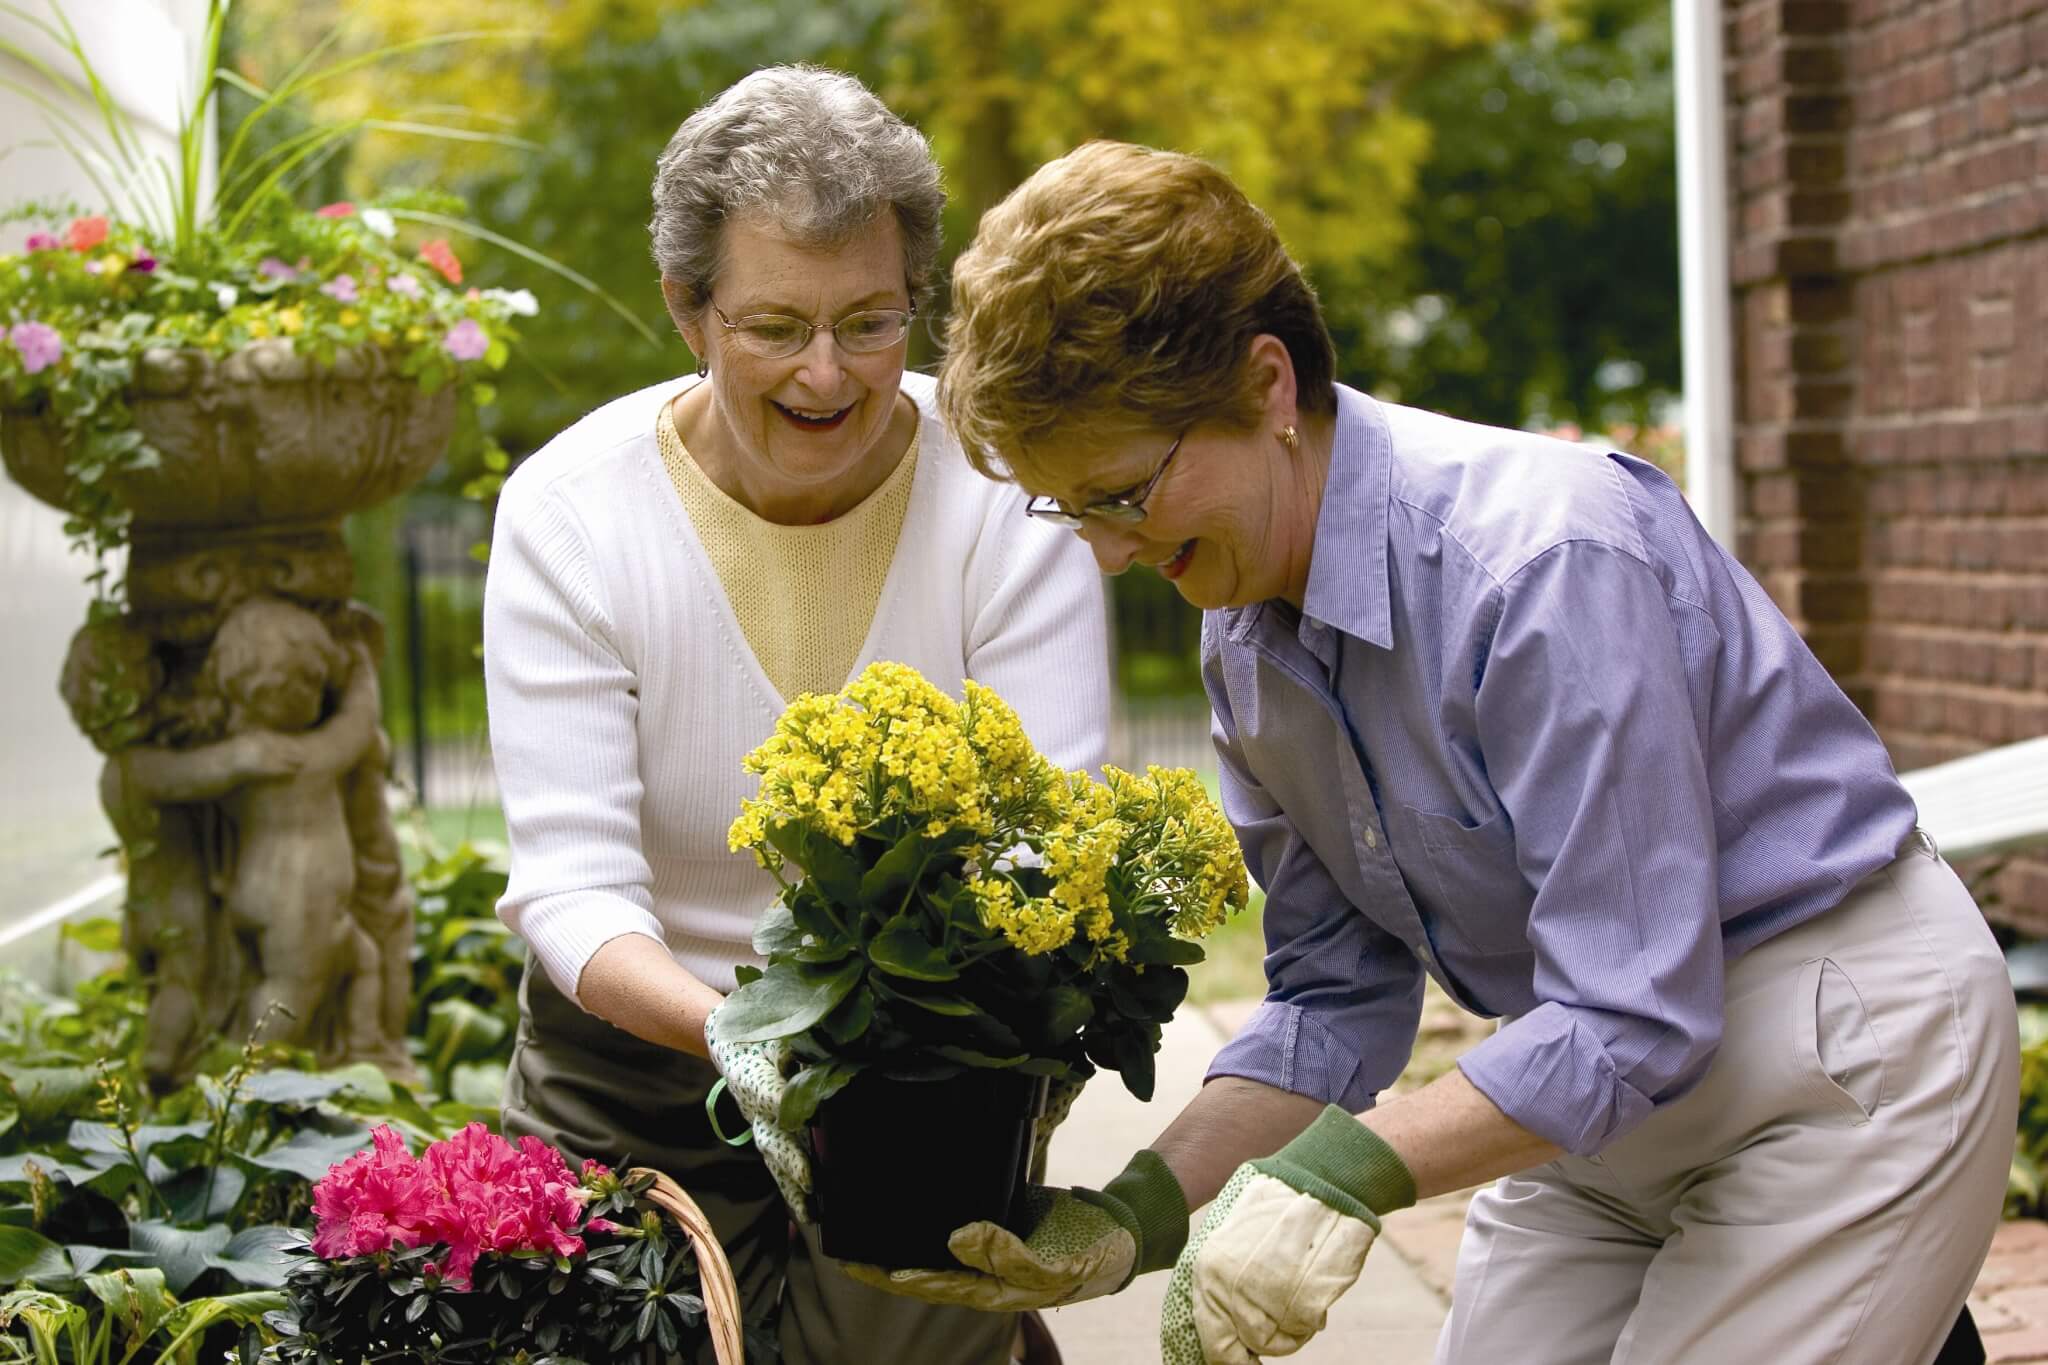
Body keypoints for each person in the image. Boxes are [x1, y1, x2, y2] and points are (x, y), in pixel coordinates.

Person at [852, 138, 2020, 1365]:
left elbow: (1633, 1007)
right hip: (1589, 1088)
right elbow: (1334, 1000)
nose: (1105, 552)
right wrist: (1133, 1217)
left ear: (1265, 386)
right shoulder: (1247, 645)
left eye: (1125, 494)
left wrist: (1343, 1173)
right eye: (1068, 508)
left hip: (1826, 1051)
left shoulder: (1536, 565)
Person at [480, 66, 1109, 1365]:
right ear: (687, 311)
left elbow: (1051, 836)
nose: (829, 374)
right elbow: (572, 886)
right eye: (775, 325)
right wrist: (736, 1034)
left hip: (925, 1058)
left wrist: (913, 1046)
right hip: (637, 1057)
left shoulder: (1003, 493)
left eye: (871, 322)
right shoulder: (572, 514)